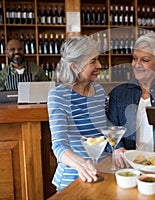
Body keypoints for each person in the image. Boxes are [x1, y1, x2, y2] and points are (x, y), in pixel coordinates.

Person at [106, 31, 155, 168]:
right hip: (127, 165)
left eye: (145, 60)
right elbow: (110, 129)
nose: (137, 64)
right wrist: (117, 148)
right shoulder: (118, 94)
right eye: (135, 58)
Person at [47, 36, 107, 191]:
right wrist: (82, 165)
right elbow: (59, 145)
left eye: (98, 59)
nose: (99, 65)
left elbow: (103, 132)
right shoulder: (58, 96)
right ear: (74, 66)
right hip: (73, 178)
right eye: (93, 61)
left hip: (101, 173)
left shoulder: (99, 91)